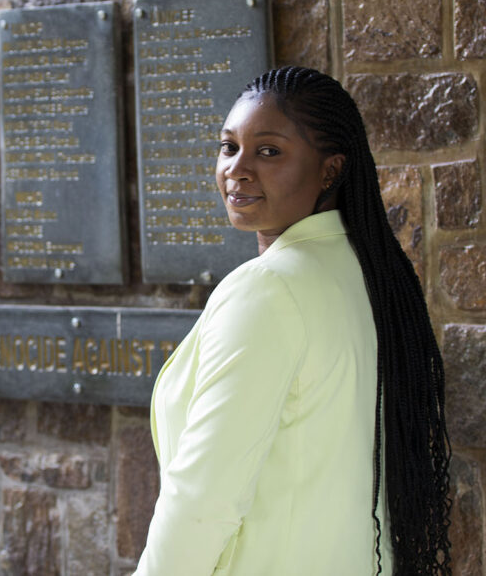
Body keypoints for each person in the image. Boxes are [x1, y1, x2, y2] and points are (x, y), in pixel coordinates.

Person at [135, 67, 451, 575]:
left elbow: (202, 502)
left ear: (330, 171)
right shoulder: (365, 274)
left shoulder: (268, 290)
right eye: (228, 147)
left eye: (268, 151)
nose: (236, 169)